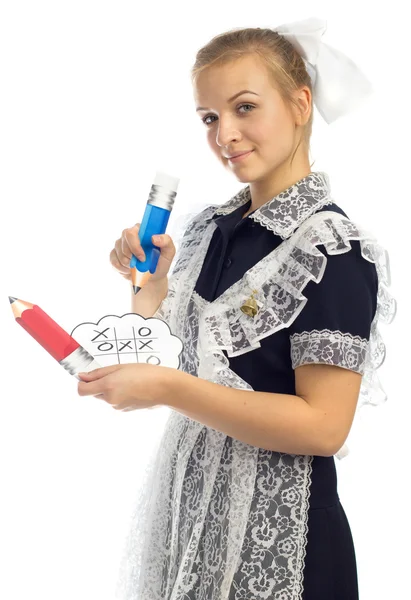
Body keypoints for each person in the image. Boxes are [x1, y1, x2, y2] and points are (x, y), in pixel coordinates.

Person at [78, 17, 396, 600]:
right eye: (210, 117)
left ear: (301, 104)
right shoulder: (214, 228)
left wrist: (167, 390)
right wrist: (149, 286)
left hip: (285, 541)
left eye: (244, 107)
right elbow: (185, 356)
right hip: (191, 516)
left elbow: (325, 426)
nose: (225, 133)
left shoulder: (331, 250)